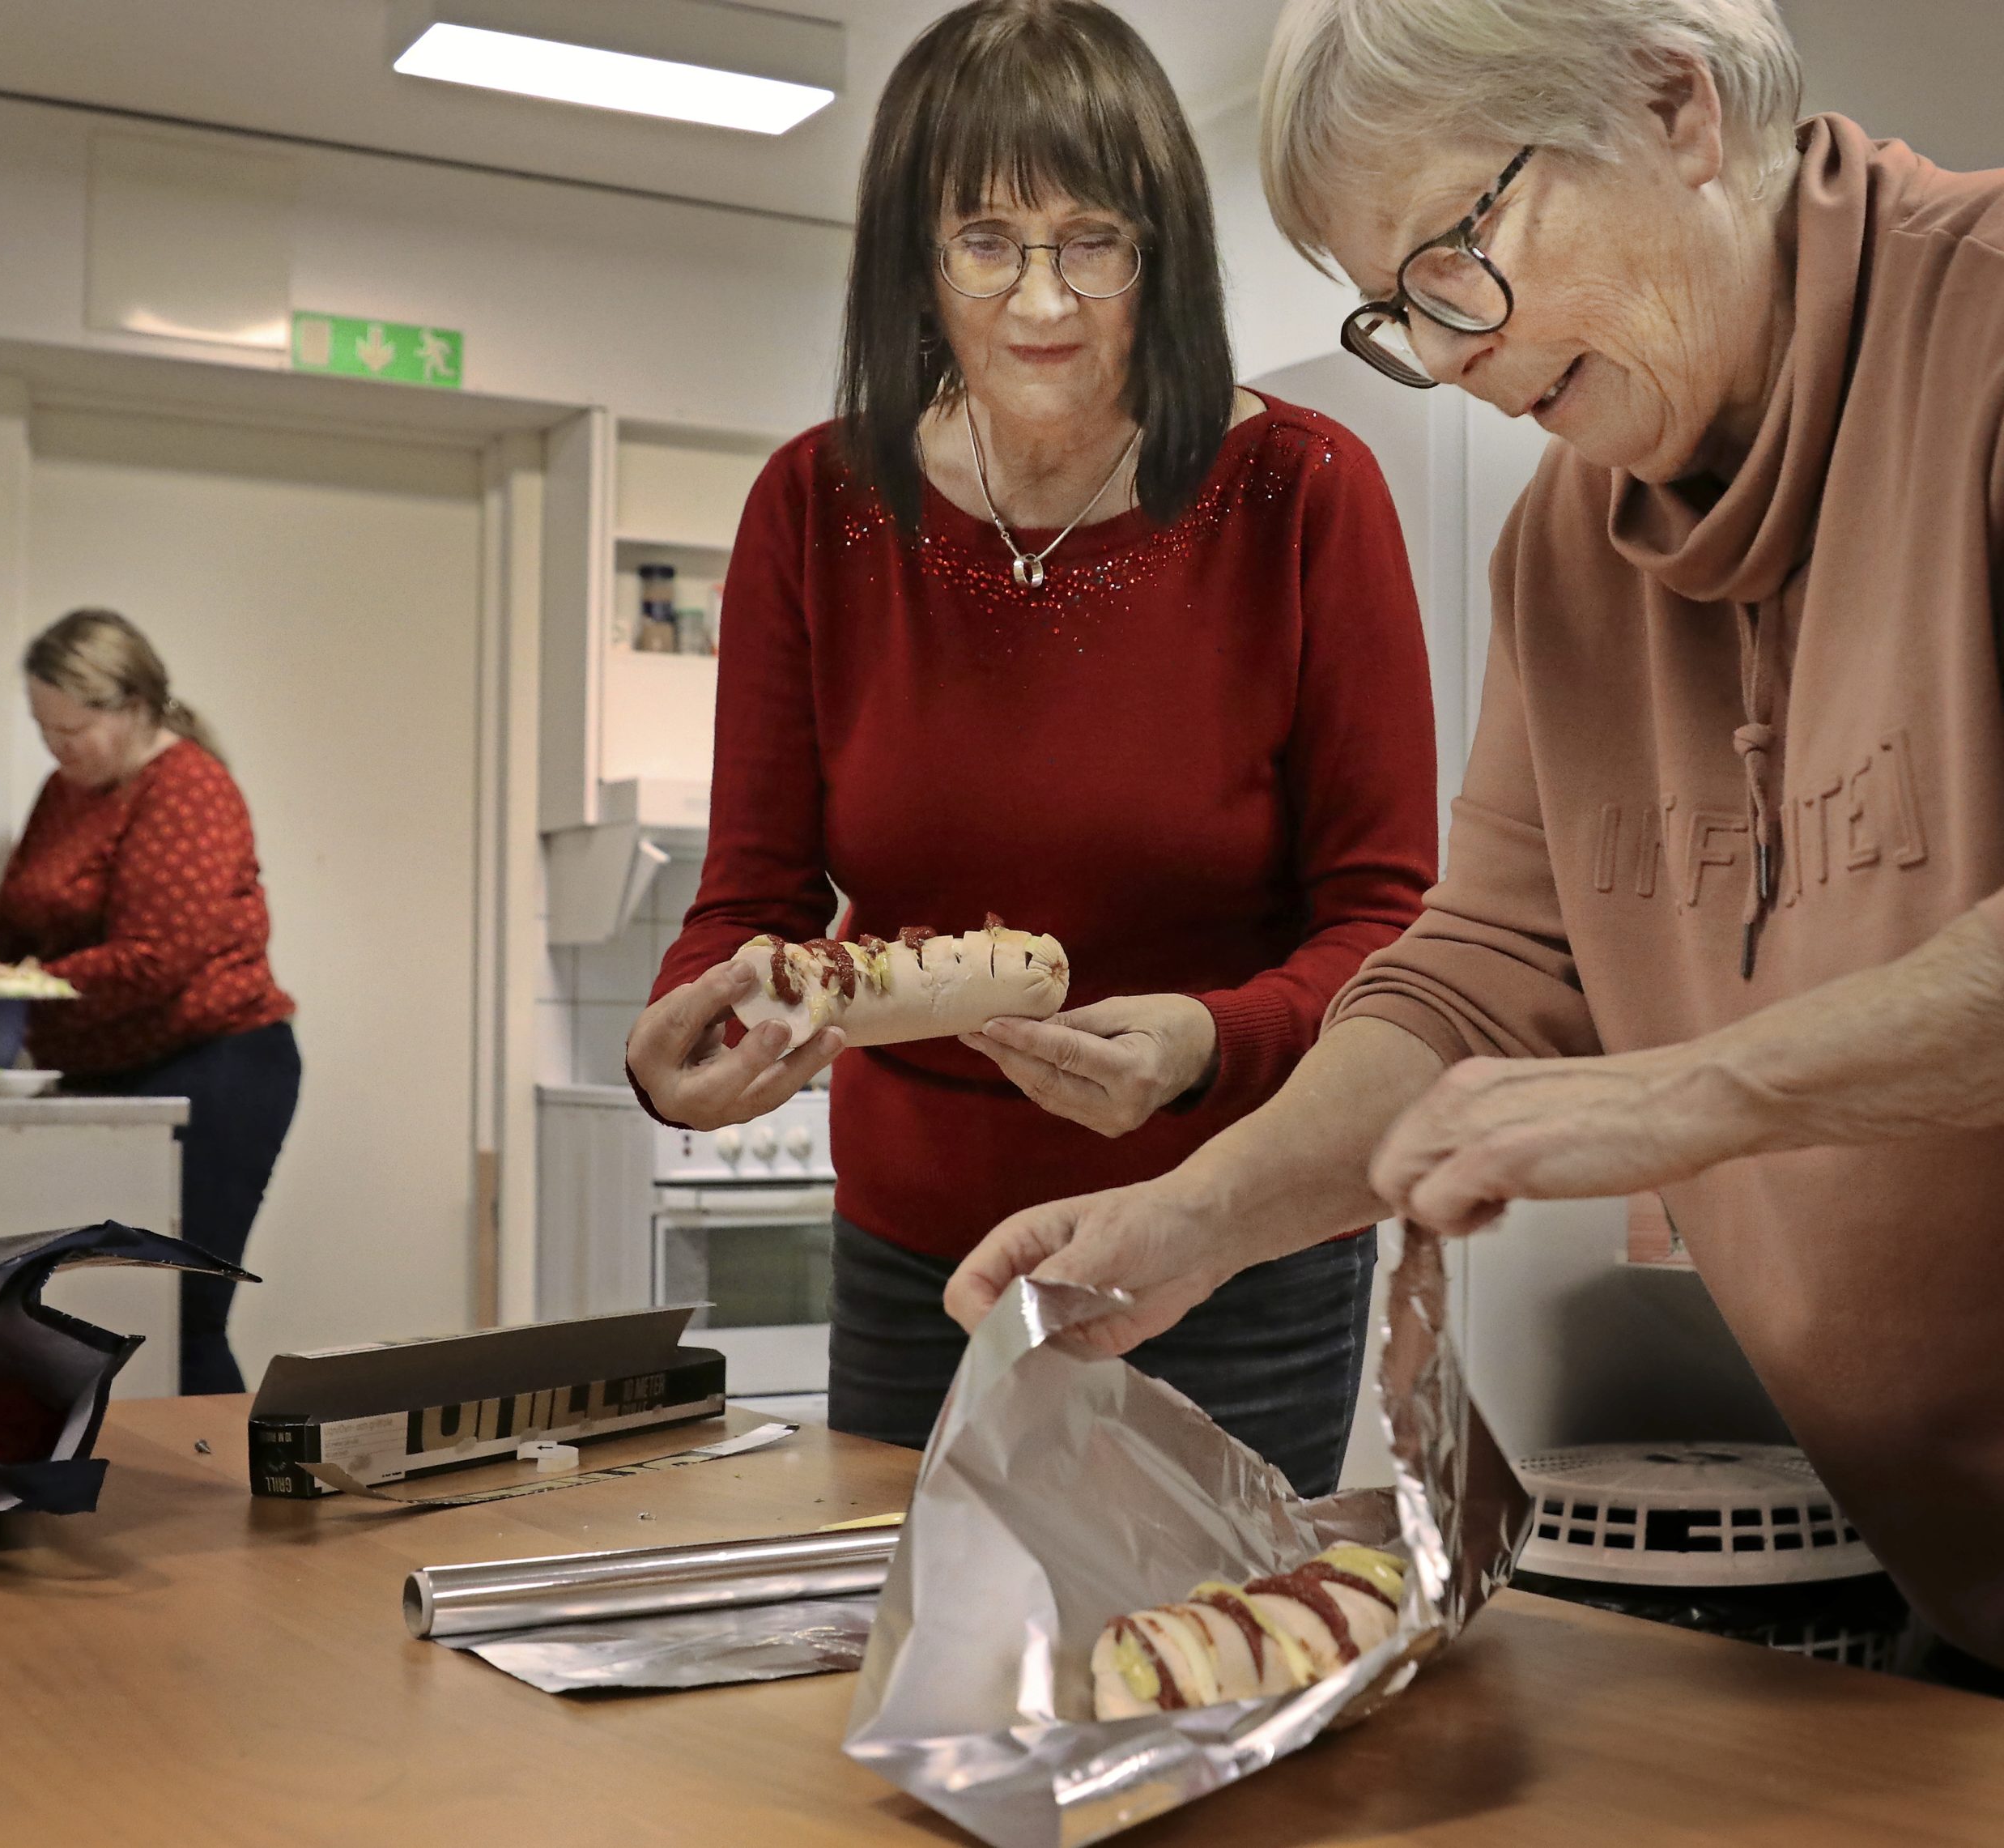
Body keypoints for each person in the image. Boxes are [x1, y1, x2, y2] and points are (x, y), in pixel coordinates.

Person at [947, 0, 2004, 1669]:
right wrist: (1194, 1215)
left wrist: (1688, 1095)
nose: (1442, 355)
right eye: (1395, 309)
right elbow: (1484, 972)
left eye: (1456, 248)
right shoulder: (1562, 556)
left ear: (1671, 105)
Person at [624, 0, 1437, 1492]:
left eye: (1093, 241)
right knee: (916, 1666)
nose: (1042, 300)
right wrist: (689, 1029)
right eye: (986, 239)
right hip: (920, 1263)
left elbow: (1388, 928)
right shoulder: (820, 507)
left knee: (1211, 1672)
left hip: (1235, 1230)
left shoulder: (1305, 496)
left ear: (1162, 255)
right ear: (915, 264)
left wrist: (1204, 1043)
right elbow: (752, 899)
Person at [0, 610, 300, 1395]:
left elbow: (153, 960)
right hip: (115, 1071)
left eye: (75, 725)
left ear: (134, 705)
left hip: (218, 1066)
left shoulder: (189, 785)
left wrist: (5, 986)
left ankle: (239, 1497)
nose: (59, 745)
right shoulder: (66, 792)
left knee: (180, 1313)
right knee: (84, 1308)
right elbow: (6, 931)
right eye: (44, 728)